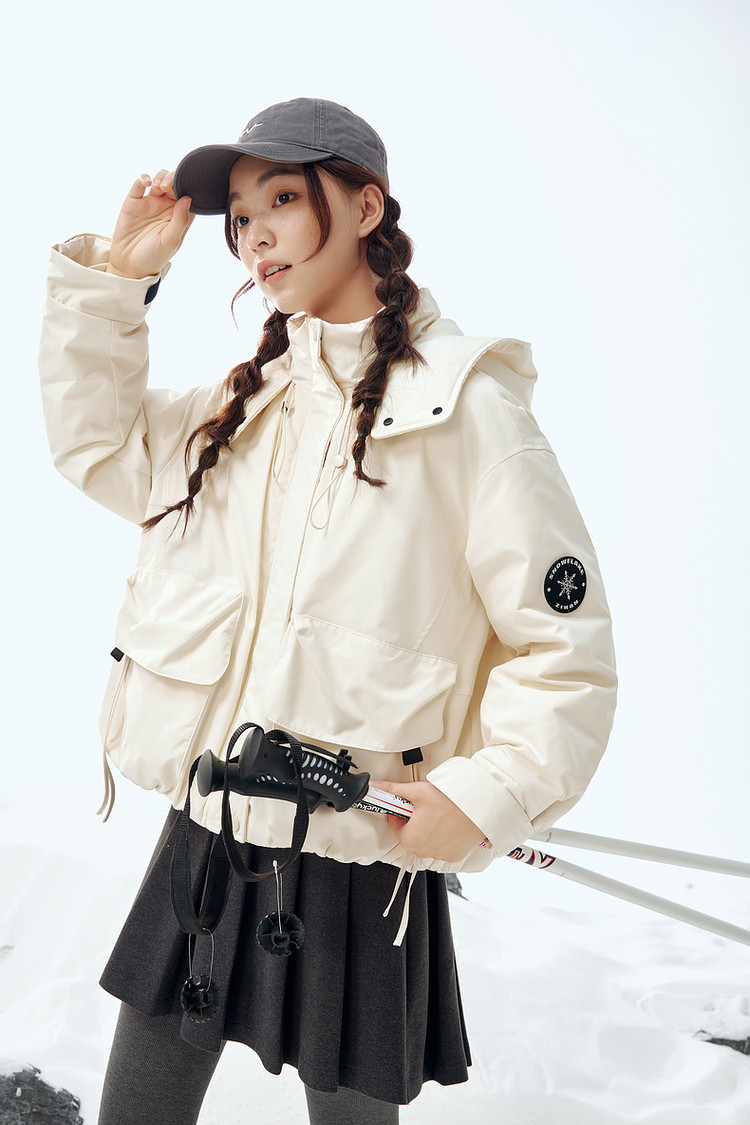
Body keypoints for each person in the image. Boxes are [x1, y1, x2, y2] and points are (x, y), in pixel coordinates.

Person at [38, 97, 617, 1125]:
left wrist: (487, 794)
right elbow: (101, 447)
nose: (254, 234)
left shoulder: (471, 412)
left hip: (362, 849)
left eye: (281, 200)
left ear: (364, 207)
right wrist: (118, 281)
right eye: (238, 218)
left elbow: (562, 650)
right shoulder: (247, 403)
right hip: (212, 829)